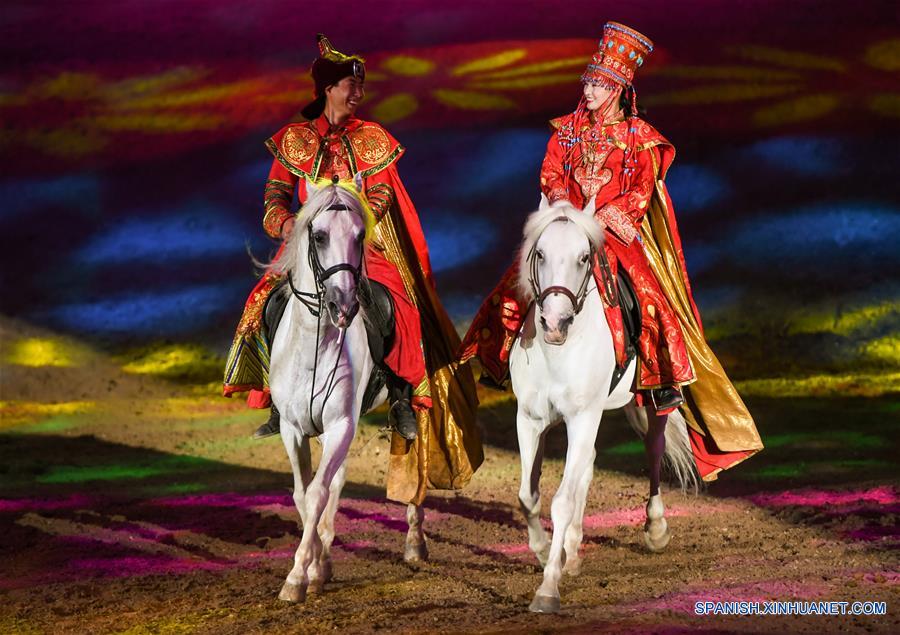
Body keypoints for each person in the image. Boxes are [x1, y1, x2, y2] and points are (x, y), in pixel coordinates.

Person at [460, 22, 762, 482]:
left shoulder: (641, 138)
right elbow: (550, 171)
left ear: (618, 88)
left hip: (612, 234)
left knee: (648, 296)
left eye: (598, 84)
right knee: (518, 281)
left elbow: (641, 191)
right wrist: (562, 205)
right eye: (588, 82)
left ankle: (660, 380)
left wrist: (600, 220)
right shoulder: (566, 131)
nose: (589, 90)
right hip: (565, 224)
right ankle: (499, 357)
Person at [225, 35, 483, 501]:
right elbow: (273, 199)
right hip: (311, 247)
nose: (358, 94)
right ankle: (275, 395)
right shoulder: (294, 140)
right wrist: (287, 224)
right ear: (328, 89)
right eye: (350, 85)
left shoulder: (372, 138)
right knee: (264, 302)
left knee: (400, 305)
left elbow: (383, 191)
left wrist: (358, 218)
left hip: (361, 244)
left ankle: (401, 396)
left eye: (360, 86)